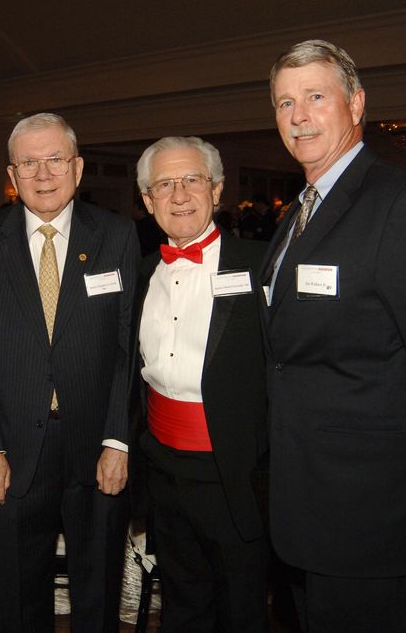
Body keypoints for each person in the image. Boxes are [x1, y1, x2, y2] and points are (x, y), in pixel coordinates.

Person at [260, 39, 406, 632]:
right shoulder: (297, 214)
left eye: (315, 97)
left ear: (357, 103)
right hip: (306, 498)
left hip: (373, 509)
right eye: (285, 102)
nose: (298, 116)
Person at [0, 112, 140, 631]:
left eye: (55, 159)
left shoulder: (117, 235)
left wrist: (118, 441)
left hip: (96, 447)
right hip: (12, 451)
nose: (43, 173)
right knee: (18, 593)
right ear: (11, 176)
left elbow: (127, 349)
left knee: (98, 588)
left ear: (77, 168)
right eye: (29, 163)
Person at [133, 137, 269, 631]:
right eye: (164, 185)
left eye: (192, 180)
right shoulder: (144, 270)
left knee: (241, 607)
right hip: (162, 470)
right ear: (148, 202)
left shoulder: (262, 263)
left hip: (235, 472)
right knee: (182, 602)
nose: (180, 194)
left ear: (217, 190)